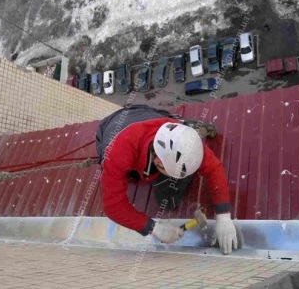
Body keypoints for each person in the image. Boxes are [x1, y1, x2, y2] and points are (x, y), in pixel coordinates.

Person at [95, 104, 237, 254]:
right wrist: (152, 227)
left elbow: (213, 167)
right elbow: (113, 206)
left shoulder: (181, 137)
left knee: (173, 184)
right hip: (110, 128)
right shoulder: (117, 154)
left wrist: (224, 217)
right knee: (159, 193)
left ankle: (182, 125)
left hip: (148, 114)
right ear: (158, 163)